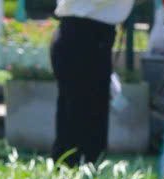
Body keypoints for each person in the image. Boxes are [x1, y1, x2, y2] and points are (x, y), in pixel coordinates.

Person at [52, 0, 137, 165]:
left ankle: (82, 167)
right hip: (84, 35)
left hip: (87, 35)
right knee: (80, 117)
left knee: (85, 114)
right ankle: (77, 168)